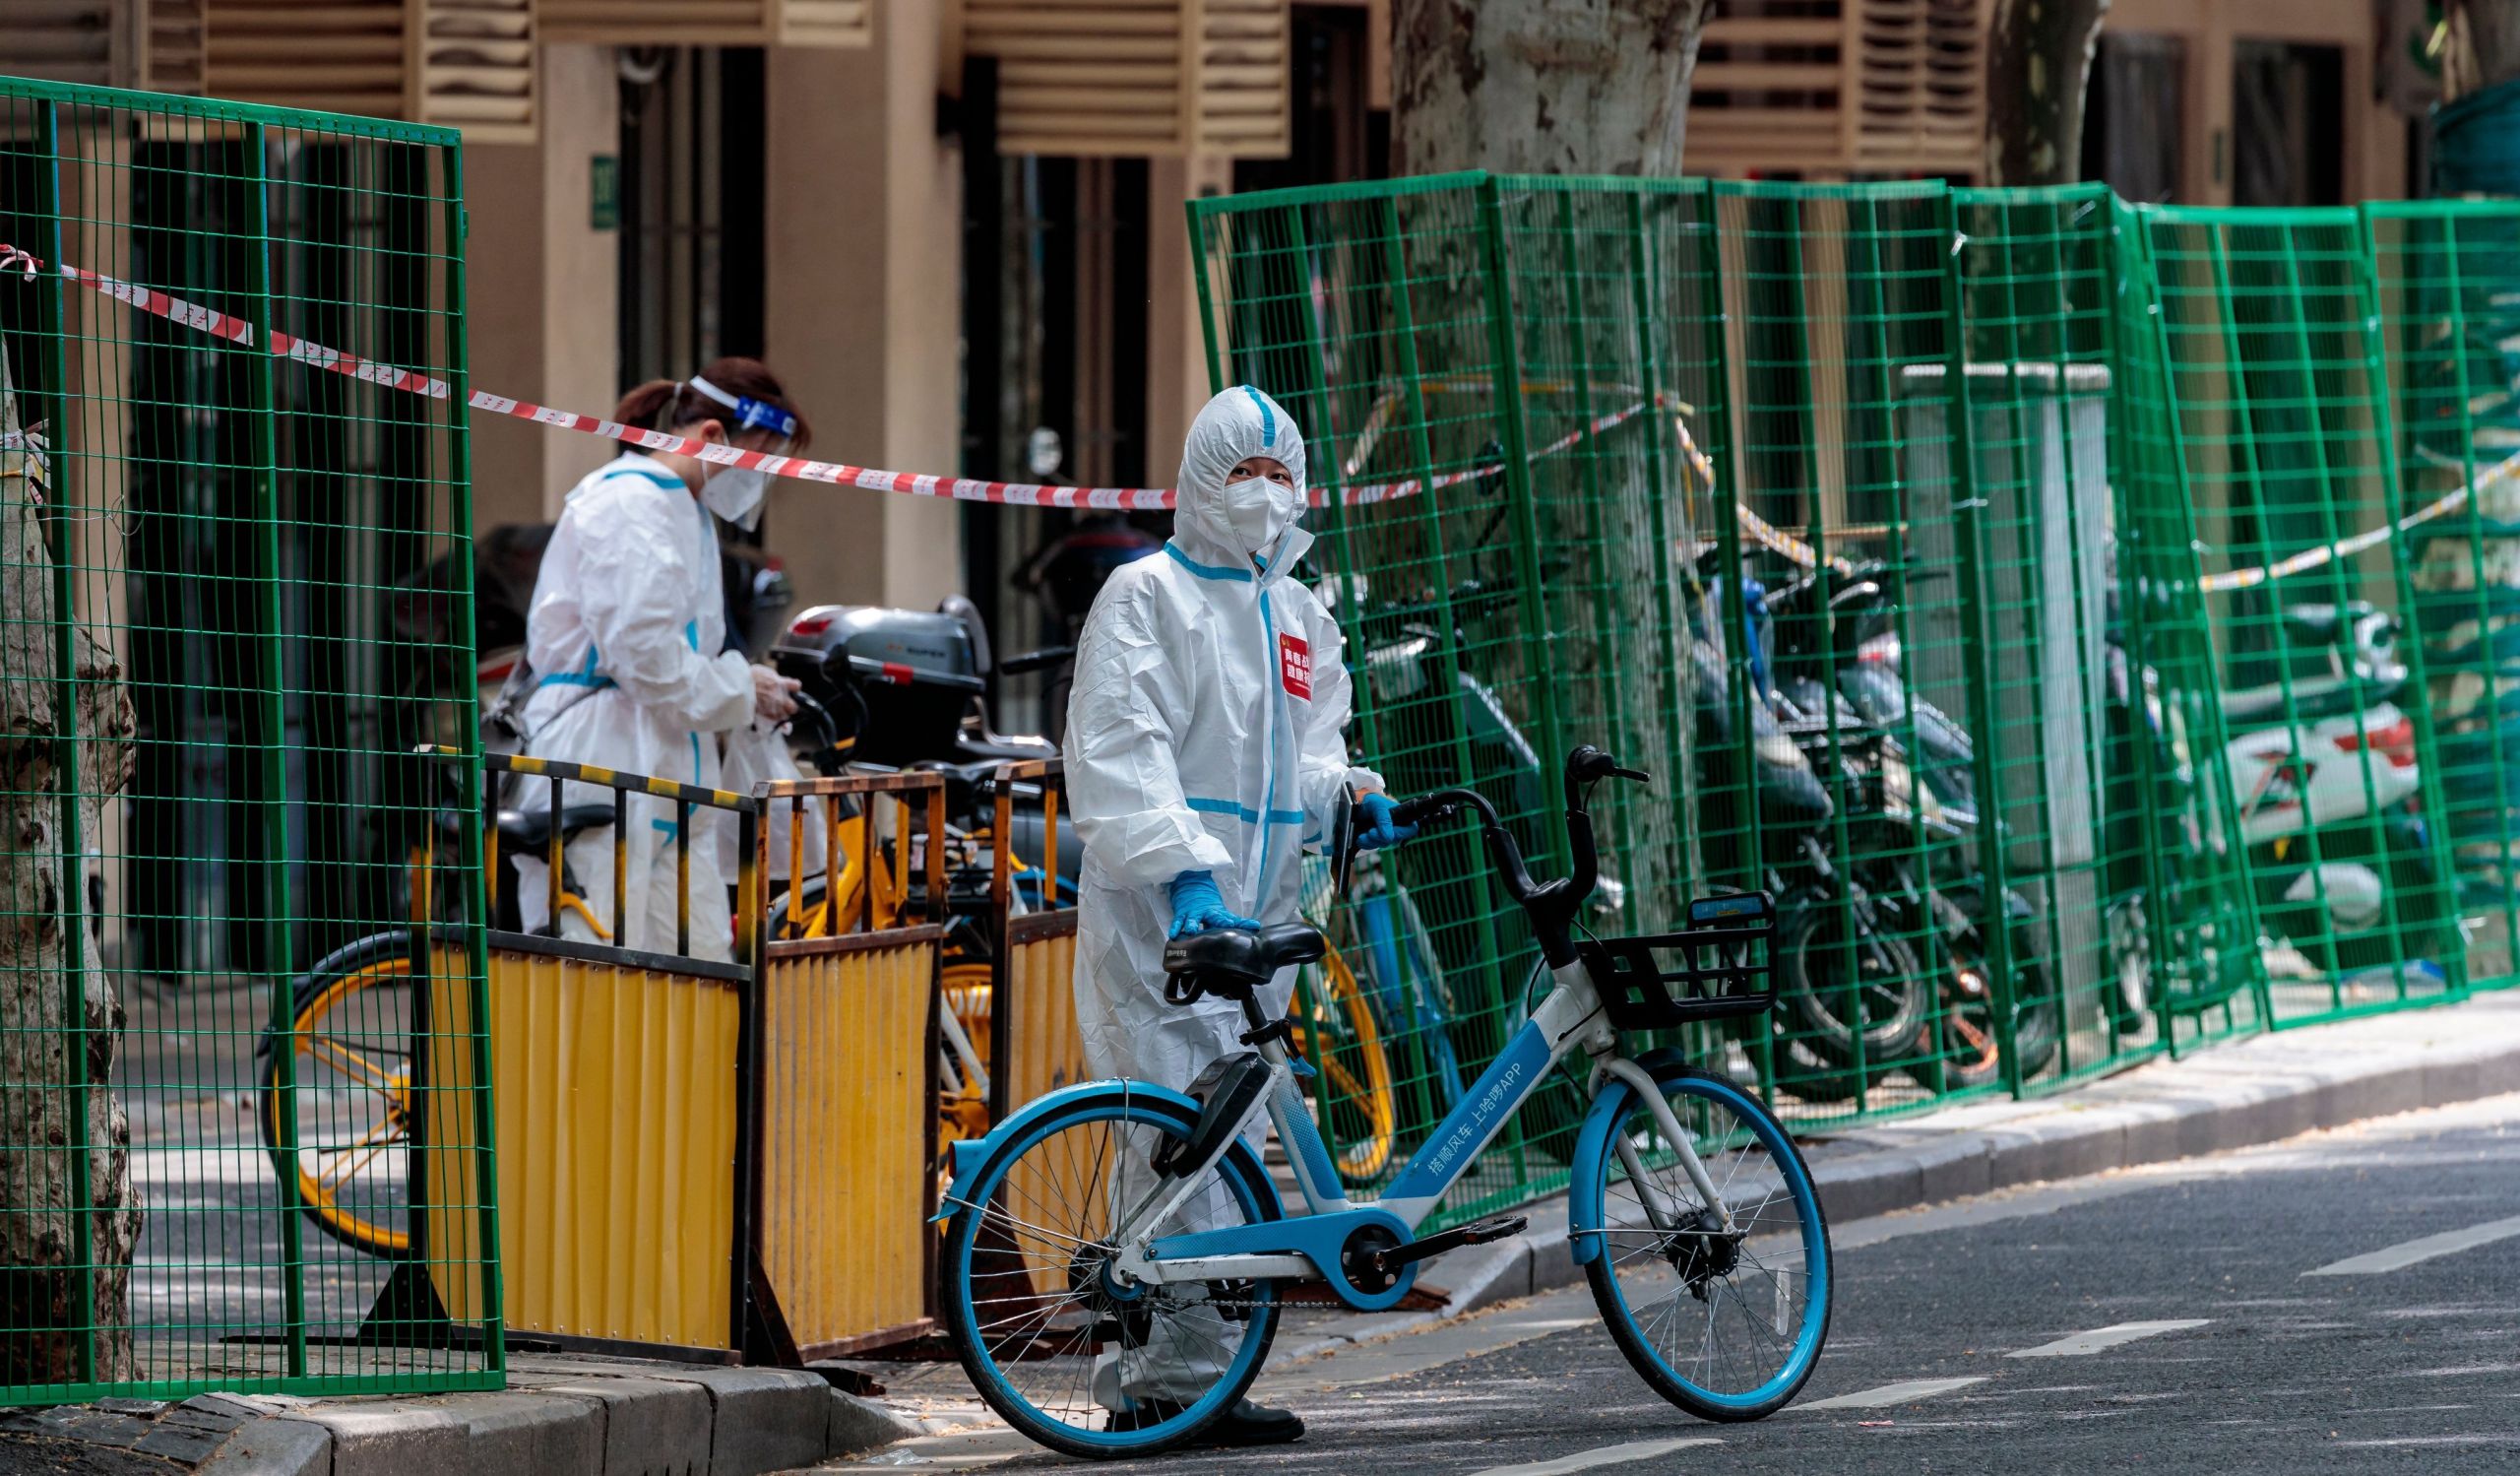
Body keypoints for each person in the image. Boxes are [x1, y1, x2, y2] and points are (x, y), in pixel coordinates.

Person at [1064, 385, 1417, 1444]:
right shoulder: (1146, 595)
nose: (1263, 496)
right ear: (1197, 478)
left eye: (1279, 475)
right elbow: (1125, 747)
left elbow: (1310, 752)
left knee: (1236, 1143)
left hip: (1266, 912)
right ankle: (1159, 1383)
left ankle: (1197, 1379)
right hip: (1162, 914)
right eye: (1240, 472)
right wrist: (1184, 878)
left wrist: (1347, 793)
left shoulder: (1299, 613)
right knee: (1172, 1134)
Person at [509, 358, 809, 961]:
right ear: (713, 438)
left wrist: (739, 685)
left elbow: (668, 658)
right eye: (762, 457)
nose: (761, 479)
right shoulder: (630, 504)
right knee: (594, 986)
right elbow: (645, 658)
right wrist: (742, 688)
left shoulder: (680, 511)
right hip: (600, 756)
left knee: (694, 978)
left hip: (658, 768)